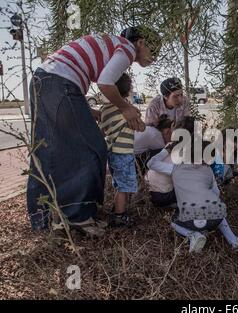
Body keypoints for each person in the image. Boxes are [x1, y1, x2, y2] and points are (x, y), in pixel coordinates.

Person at [27, 26, 161, 235]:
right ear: (141, 43)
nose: (155, 57)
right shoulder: (127, 48)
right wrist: (125, 107)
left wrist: (86, 110)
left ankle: (41, 219)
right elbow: (106, 82)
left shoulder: (111, 44)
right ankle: (77, 216)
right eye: (154, 51)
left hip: (43, 81)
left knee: (45, 150)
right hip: (60, 83)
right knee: (93, 148)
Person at [147, 140, 238, 253]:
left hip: (192, 221)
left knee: (173, 221)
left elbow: (151, 164)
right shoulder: (209, 171)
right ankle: (234, 241)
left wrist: (165, 150)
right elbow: (217, 194)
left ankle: (193, 235)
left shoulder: (175, 168)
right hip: (215, 219)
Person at [99, 73, 139, 227]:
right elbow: (139, 126)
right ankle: (120, 215)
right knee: (124, 186)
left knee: (119, 183)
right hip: (124, 153)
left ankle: (117, 208)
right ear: (128, 90)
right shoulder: (128, 109)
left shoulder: (104, 109)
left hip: (112, 151)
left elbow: (102, 130)